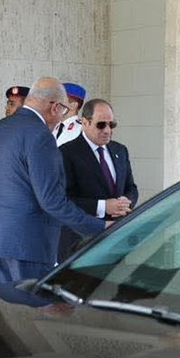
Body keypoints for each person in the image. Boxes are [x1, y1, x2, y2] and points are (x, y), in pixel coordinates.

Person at [0, 77, 106, 284]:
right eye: (63, 111)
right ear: (55, 107)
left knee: (5, 303)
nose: (61, 119)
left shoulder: (0, 127)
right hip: (28, 243)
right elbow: (51, 201)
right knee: (30, 304)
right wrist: (99, 227)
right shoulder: (41, 135)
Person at [58, 98, 138, 260]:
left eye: (112, 124)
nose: (107, 130)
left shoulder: (120, 150)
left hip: (116, 237)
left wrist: (126, 202)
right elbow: (63, 200)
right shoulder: (66, 153)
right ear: (85, 122)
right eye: (101, 125)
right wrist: (103, 206)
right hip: (80, 241)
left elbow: (131, 187)